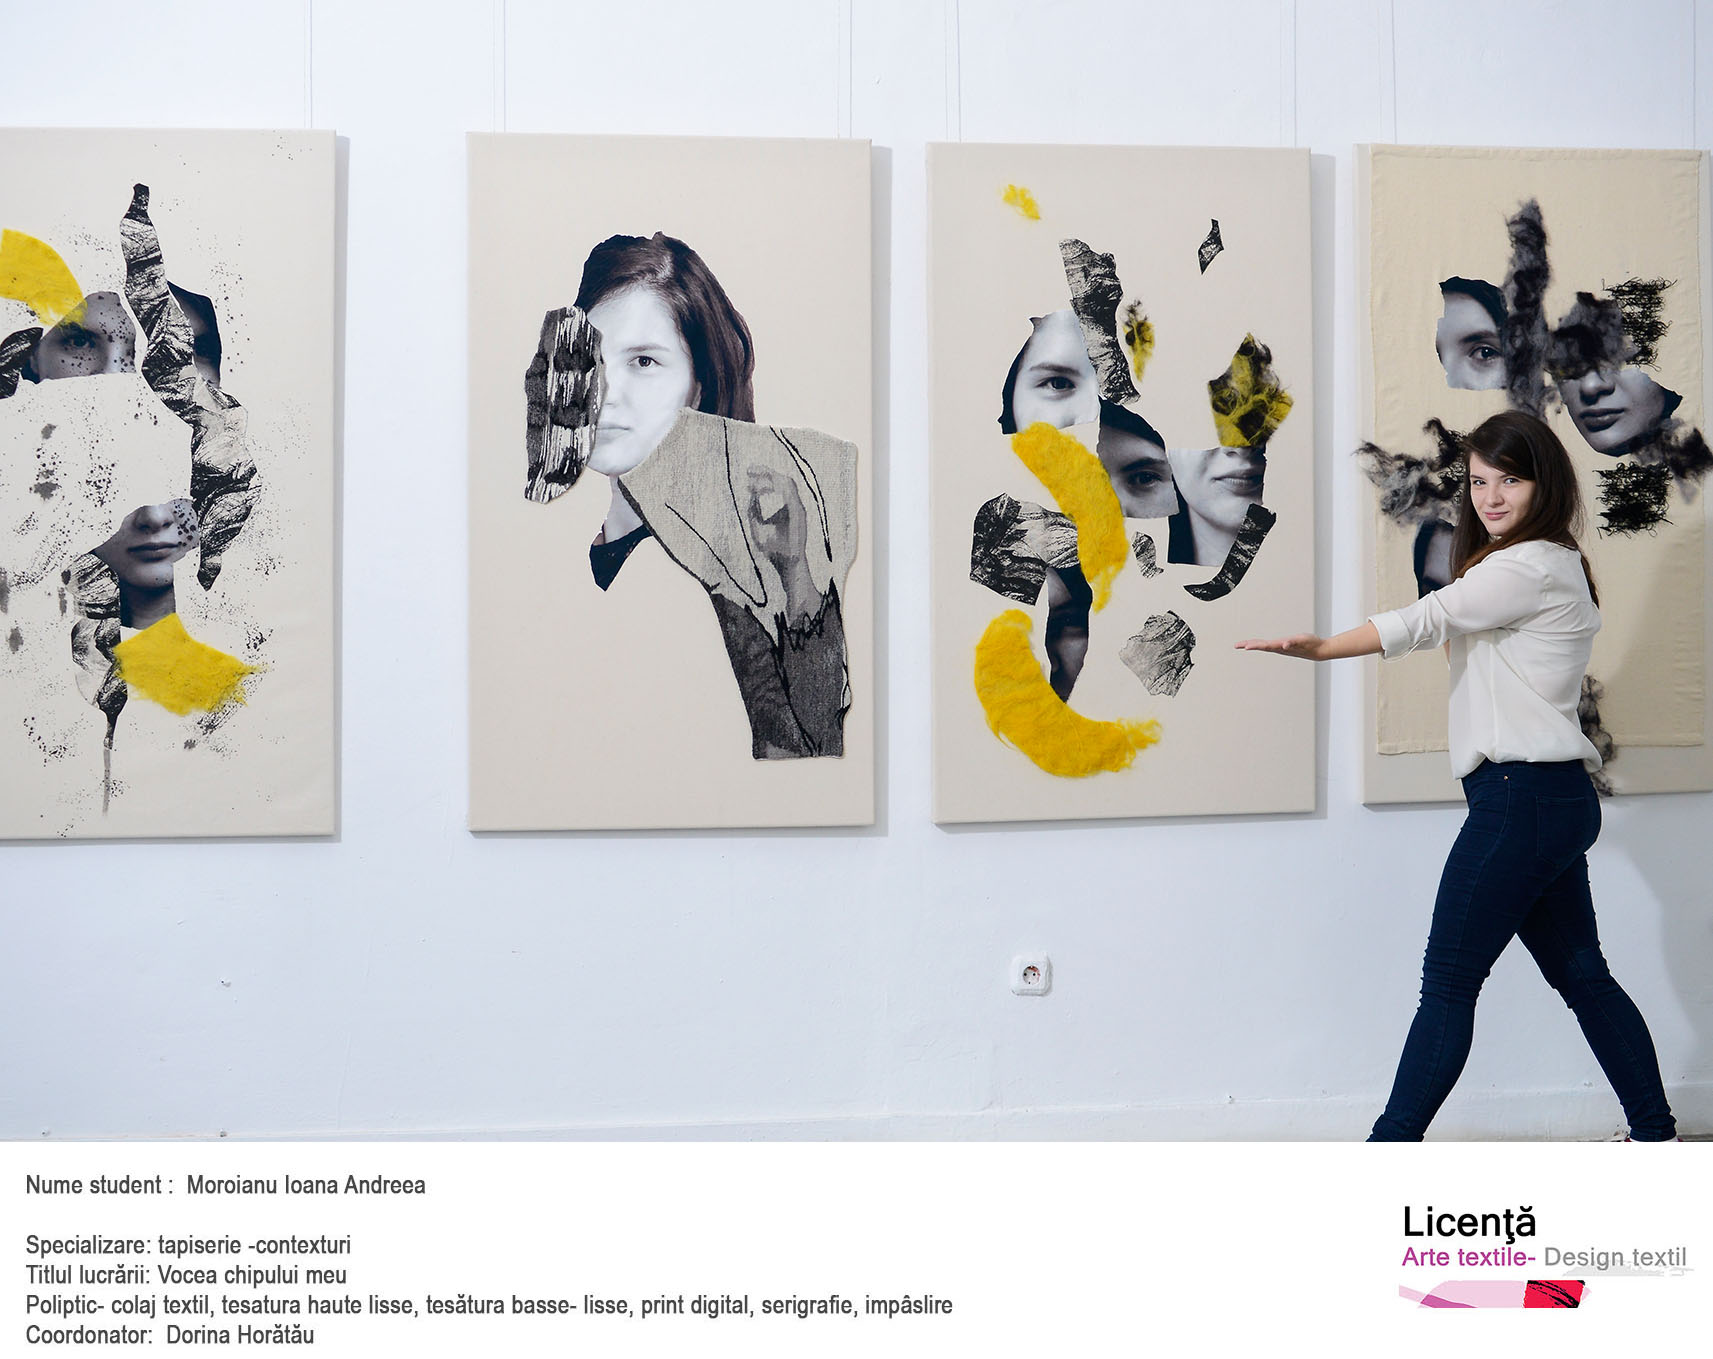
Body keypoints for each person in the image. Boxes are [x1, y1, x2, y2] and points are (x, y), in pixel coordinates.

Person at [1237, 410, 1678, 1141]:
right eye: (1477, 481)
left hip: (1519, 802)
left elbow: (1425, 618)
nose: (1490, 497)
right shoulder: (1553, 562)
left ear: (1544, 483)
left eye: (1509, 480)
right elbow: (1458, 632)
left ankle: (1387, 1150)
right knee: (1583, 977)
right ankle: (1657, 1138)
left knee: (1447, 984)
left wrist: (1322, 649)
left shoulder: (1523, 567)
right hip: (1552, 799)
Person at [539, 231, 854, 760]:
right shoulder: (564, 560)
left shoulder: (714, 565)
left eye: (644, 362)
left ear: (699, 384)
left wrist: (796, 575)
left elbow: (804, 747)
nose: (606, 392)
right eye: (592, 358)